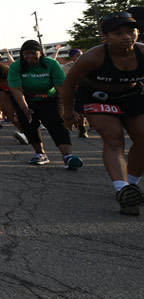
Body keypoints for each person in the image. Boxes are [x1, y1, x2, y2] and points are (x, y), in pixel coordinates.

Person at [61, 13, 144, 214]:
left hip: (131, 96)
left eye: (131, 31)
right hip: (97, 98)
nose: (127, 36)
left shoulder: (142, 52)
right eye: (118, 33)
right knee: (113, 138)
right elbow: (69, 84)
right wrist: (68, 112)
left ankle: (131, 187)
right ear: (105, 35)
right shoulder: (93, 57)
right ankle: (121, 187)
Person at [8, 40, 83, 169]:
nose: (30, 56)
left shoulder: (51, 64)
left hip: (50, 97)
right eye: (26, 54)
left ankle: (68, 157)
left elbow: (61, 87)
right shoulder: (16, 66)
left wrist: (70, 109)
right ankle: (40, 153)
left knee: (56, 123)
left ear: (41, 53)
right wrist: (24, 108)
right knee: (29, 124)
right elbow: (16, 89)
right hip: (26, 98)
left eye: (33, 53)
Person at [0, 62, 28, 145]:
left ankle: (30, 132)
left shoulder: (11, 76)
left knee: (21, 112)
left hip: (22, 92)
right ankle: (24, 132)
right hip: (6, 92)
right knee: (6, 109)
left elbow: (21, 91)